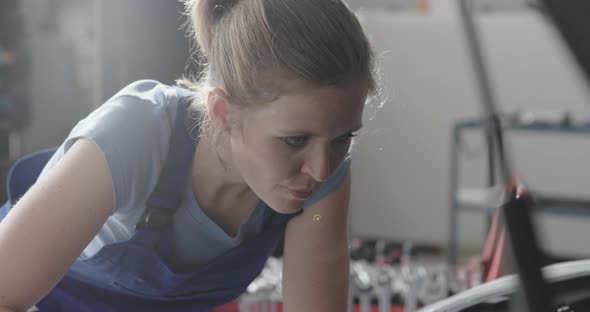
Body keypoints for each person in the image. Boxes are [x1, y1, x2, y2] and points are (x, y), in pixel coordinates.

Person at [0, 0, 378, 311]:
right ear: (222, 113)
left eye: (343, 138)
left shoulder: (324, 173)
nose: (321, 169)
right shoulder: (135, 133)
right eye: (294, 141)